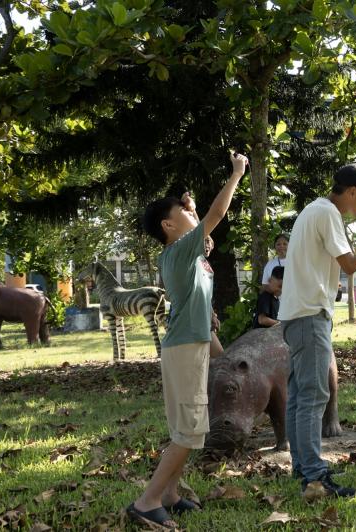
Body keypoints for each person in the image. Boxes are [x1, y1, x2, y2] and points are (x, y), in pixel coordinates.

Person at [132, 152, 248, 528]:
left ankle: (170, 494)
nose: (189, 212)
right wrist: (236, 173)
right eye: (181, 211)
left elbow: (204, 233)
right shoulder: (178, 252)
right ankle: (147, 501)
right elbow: (216, 216)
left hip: (192, 345)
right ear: (168, 225)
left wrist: (192, 211)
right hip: (184, 350)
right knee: (189, 430)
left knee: (188, 426)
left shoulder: (188, 253)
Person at [279, 163, 356, 498]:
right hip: (309, 316)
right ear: (352, 192)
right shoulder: (328, 213)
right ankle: (314, 476)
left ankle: (303, 467)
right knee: (313, 397)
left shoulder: (312, 210)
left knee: (300, 396)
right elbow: (349, 264)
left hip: (296, 316)